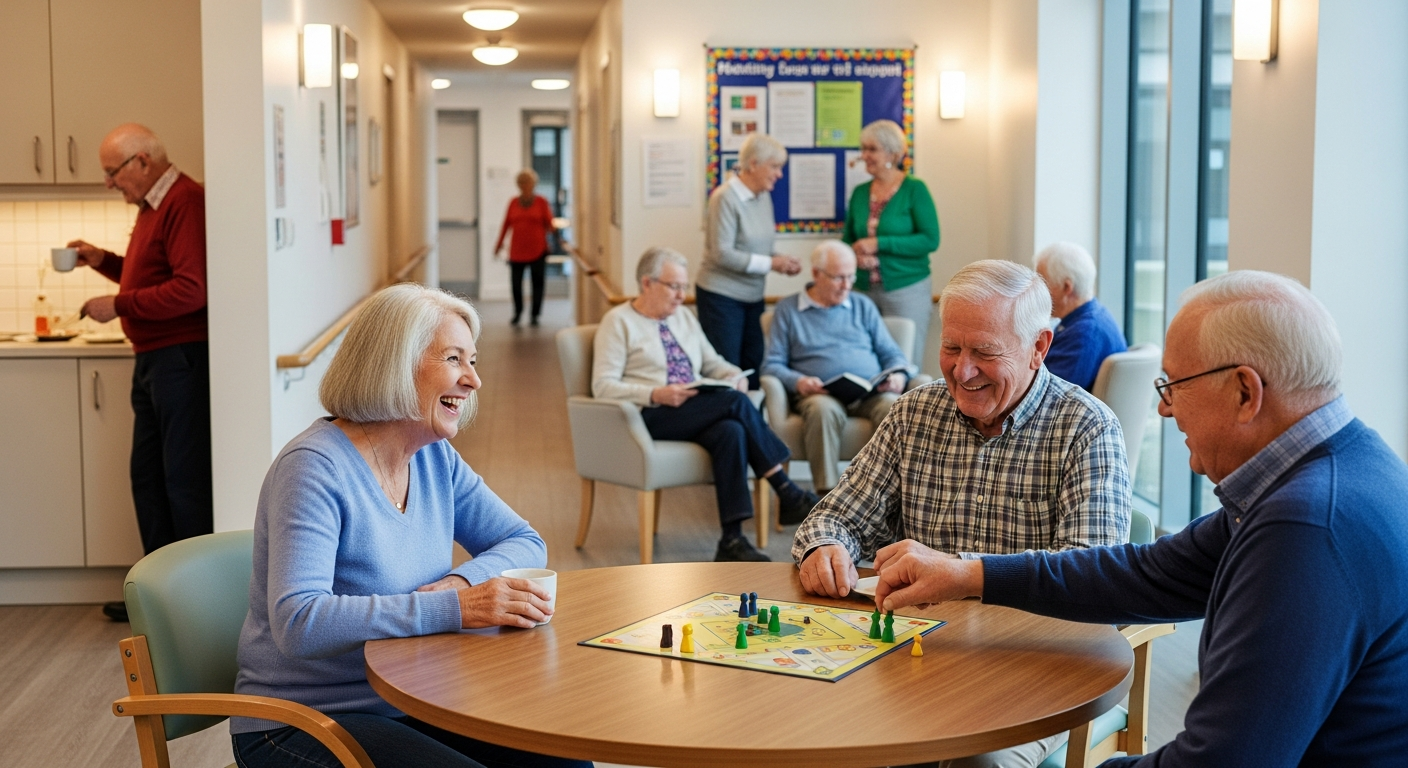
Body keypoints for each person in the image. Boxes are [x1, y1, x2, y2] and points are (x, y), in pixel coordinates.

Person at [874, 271, 1408, 767]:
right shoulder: (1336, 472)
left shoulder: (1305, 529)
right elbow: (1147, 573)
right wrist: (970, 574)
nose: (1163, 410)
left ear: (1245, 392)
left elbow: (1221, 762)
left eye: (1173, 385)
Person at [232, 284, 590, 768]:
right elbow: (299, 622)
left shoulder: (434, 458)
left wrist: (460, 584)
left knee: (566, 760)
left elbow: (524, 542)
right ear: (395, 363)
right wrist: (449, 609)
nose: (473, 380)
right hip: (304, 720)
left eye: (473, 360)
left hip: (411, 697)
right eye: (454, 359)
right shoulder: (313, 468)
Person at [792, 260, 1131, 768]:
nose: (961, 370)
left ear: (1040, 347)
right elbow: (834, 516)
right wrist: (826, 546)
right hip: (918, 657)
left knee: (976, 762)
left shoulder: (1087, 429)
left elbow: (1091, 577)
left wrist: (961, 573)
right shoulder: (913, 413)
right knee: (811, 730)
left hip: (1035, 668)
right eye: (951, 347)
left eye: (985, 353)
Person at [66, 124, 210, 624]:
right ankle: (157, 599)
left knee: (181, 484)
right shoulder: (154, 207)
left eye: (112, 171)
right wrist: (103, 261)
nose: (108, 183)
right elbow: (153, 272)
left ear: (143, 162)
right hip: (156, 360)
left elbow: (192, 289)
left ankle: (192, 603)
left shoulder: (184, 202)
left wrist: (119, 304)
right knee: (149, 479)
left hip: (179, 360)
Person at [593, 247, 819, 562]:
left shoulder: (683, 317)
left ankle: (731, 540)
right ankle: (785, 488)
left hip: (696, 407)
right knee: (735, 404)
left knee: (731, 431)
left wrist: (732, 374)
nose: (681, 295)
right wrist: (657, 393)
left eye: (684, 287)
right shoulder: (618, 322)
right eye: (674, 286)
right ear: (647, 283)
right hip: (651, 414)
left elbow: (713, 363)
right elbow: (602, 385)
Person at [761, 240, 913, 499]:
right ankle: (828, 498)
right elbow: (772, 364)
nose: (847, 285)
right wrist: (799, 382)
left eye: (851, 277)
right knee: (822, 410)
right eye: (839, 278)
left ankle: (885, 496)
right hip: (821, 394)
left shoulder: (862, 305)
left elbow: (893, 354)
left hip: (869, 393)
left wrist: (898, 375)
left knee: (892, 406)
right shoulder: (788, 310)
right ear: (816, 274)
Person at [697, 133, 802, 388]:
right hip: (721, 297)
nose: (779, 174)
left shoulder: (762, 197)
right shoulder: (724, 198)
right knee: (728, 372)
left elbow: (759, 246)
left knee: (753, 366)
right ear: (753, 164)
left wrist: (781, 261)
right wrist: (770, 264)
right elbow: (721, 253)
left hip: (752, 296)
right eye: (775, 167)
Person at [843, 119, 940, 364]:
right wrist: (855, 255)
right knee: (865, 360)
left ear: (892, 152)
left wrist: (879, 244)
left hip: (906, 290)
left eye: (871, 149)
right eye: (863, 149)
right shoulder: (859, 193)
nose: (864, 155)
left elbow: (930, 240)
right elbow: (846, 242)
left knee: (905, 360)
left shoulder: (914, 189)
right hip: (862, 290)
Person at [1034, 242, 1127, 391]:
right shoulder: (1094, 318)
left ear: (1067, 287)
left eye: (1042, 283)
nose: (1037, 291)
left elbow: (1047, 393)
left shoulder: (1084, 335)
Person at [493, 169, 557, 327]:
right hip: (517, 251)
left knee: (537, 284)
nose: (524, 185)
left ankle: (535, 314)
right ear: (518, 185)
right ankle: (517, 312)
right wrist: (499, 245)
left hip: (538, 249)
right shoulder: (513, 202)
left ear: (533, 184)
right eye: (521, 182)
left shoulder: (542, 201)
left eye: (527, 182)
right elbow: (506, 225)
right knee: (516, 284)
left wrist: (556, 235)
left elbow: (550, 224)